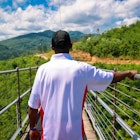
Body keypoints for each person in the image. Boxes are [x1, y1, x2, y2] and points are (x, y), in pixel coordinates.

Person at [28, 30, 137, 140]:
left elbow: (33, 106)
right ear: (71, 46)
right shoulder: (83, 69)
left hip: (49, 135)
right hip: (75, 135)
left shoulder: (42, 70)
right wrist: (128, 73)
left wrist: (32, 128)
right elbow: (110, 77)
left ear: (52, 47)